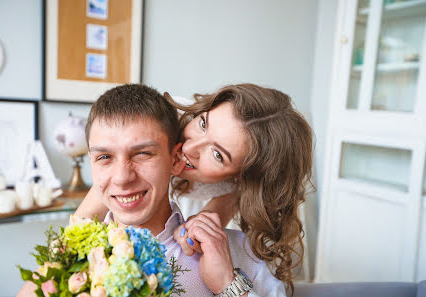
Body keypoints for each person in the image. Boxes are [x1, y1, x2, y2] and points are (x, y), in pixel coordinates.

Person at [75, 83, 313, 295]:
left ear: (241, 178)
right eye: (203, 124)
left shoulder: (235, 210)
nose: (190, 147)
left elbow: (204, 231)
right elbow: (84, 219)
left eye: (218, 154)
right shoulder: (174, 121)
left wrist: (225, 280)